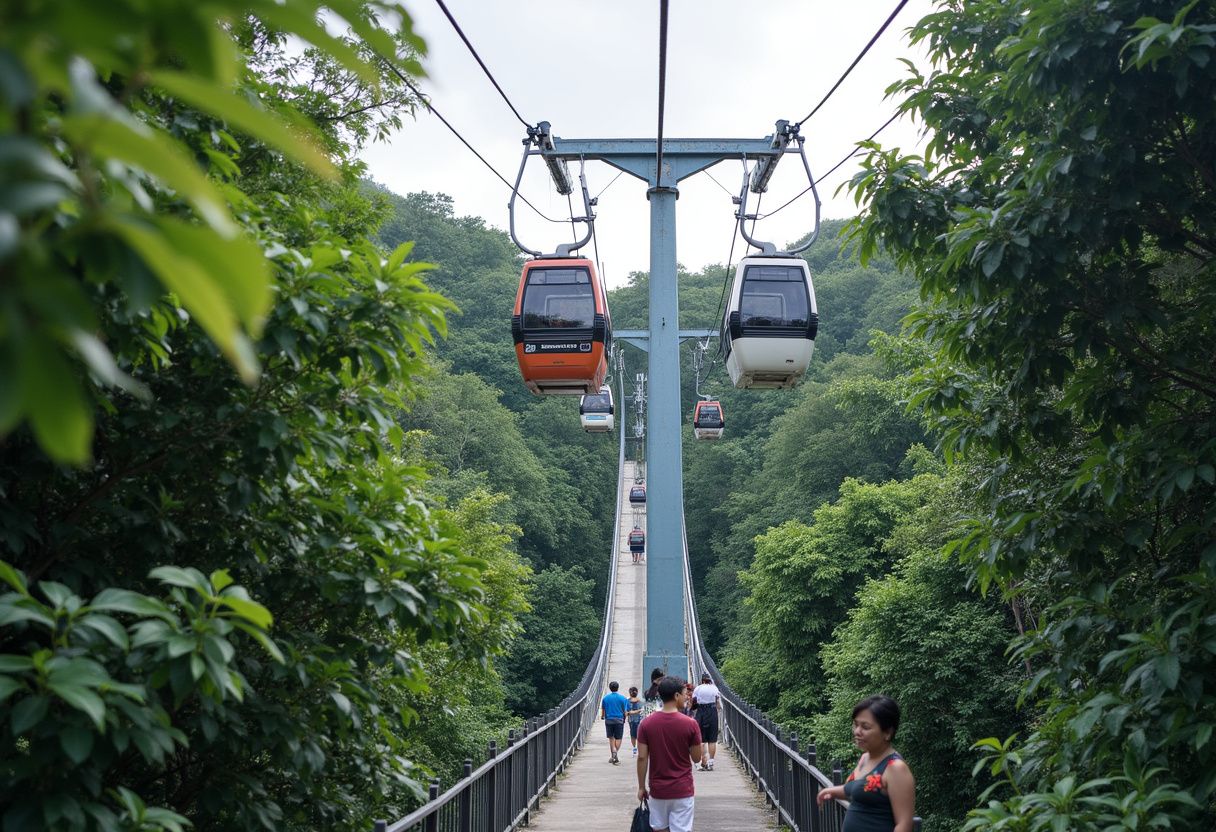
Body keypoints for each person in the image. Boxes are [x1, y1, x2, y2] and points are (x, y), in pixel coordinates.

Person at [815, 695, 915, 832]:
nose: (857, 732)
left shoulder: (895, 768)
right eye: (856, 725)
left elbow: (904, 825)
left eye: (865, 727)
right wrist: (831, 791)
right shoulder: (865, 758)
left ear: (887, 732)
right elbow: (857, 789)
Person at [636, 676, 702, 832]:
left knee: (659, 829)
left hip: (658, 790)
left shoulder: (646, 723)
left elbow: (642, 757)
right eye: (685, 693)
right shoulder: (690, 724)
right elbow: (696, 758)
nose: (687, 697)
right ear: (676, 695)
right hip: (682, 789)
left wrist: (641, 787)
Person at [690, 672, 721, 771]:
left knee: (702, 740)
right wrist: (718, 710)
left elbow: (694, 702)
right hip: (712, 711)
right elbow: (718, 703)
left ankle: (703, 760)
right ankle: (710, 762)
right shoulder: (714, 688)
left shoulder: (698, 688)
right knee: (712, 740)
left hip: (701, 712)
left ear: (702, 680)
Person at [601, 681, 630, 764]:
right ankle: (615, 754)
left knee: (611, 738)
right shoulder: (623, 698)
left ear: (610, 688)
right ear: (618, 688)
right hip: (619, 720)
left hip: (609, 720)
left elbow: (603, 709)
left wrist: (602, 716)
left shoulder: (605, 698)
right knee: (618, 738)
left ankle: (613, 755)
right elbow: (625, 711)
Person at [626, 686, 644, 755]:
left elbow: (627, 712)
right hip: (639, 721)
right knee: (639, 735)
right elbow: (642, 711)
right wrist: (638, 711)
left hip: (631, 721)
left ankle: (634, 748)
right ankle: (638, 749)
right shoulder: (640, 702)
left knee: (633, 735)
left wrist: (631, 712)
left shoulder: (627, 701)